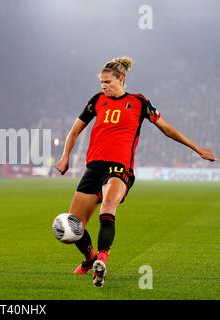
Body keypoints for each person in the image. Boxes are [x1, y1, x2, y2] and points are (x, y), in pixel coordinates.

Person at [55, 57, 216, 287]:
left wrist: (197, 148)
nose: (103, 86)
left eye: (107, 82)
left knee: (108, 207)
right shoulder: (97, 101)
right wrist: (65, 156)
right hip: (94, 168)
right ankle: (90, 259)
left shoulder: (138, 102)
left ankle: (102, 260)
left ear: (121, 79)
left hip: (120, 168)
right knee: (73, 226)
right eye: (101, 82)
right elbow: (74, 131)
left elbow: (167, 129)